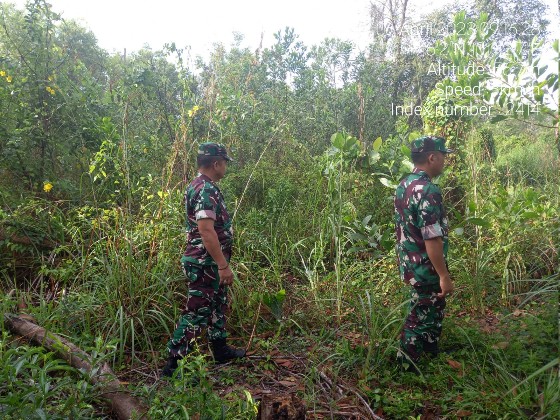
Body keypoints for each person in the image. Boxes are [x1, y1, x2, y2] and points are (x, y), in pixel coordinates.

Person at [162, 142, 245, 377]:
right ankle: (174, 365)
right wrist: (223, 265)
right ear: (216, 163)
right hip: (204, 263)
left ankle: (220, 350)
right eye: (225, 162)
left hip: (210, 263)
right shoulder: (206, 189)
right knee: (197, 312)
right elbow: (206, 231)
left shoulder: (201, 186)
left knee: (218, 304)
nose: (226, 167)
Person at [394, 136, 454, 368]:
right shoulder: (428, 190)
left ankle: (430, 352)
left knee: (434, 306)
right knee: (419, 315)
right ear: (432, 157)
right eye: (443, 157)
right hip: (425, 265)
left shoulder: (404, 185)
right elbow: (432, 238)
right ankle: (405, 366)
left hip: (409, 262)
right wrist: (443, 275)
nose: (444, 162)